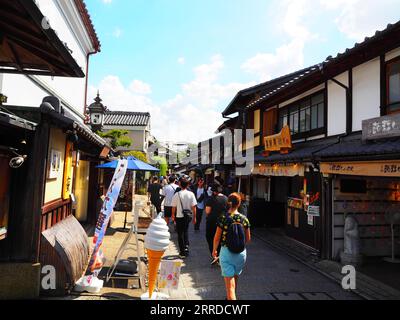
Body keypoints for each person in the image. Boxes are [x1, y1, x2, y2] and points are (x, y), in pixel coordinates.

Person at [213, 193, 251, 301]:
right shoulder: (244, 219)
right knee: (234, 280)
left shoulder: (223, 218)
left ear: (228, 203)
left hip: (226, 252)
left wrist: (214, 250)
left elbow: (217, 237)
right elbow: (248, 239)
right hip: (241, 253)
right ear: (239, 204)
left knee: (229, 287)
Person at [171, 178, 197, 258]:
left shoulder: (177, 194)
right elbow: (194, 207)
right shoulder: (191, 194)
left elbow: (173, 207)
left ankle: (182, 252)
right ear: (187, 185)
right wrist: (194, 217)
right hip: (188, 216)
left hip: (179, 216)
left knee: (180, 234)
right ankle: (186, 247)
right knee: (185, 231)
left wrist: (173, 215)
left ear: (179, 184)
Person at [205, 184, 228, 264]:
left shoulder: (211, 199)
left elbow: (207, 211)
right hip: (223, 222)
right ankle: (220, 255)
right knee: (221, 238)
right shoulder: (226, 198)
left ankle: (214, 254)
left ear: (214, 192)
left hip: (212, 222)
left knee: (210, 238)